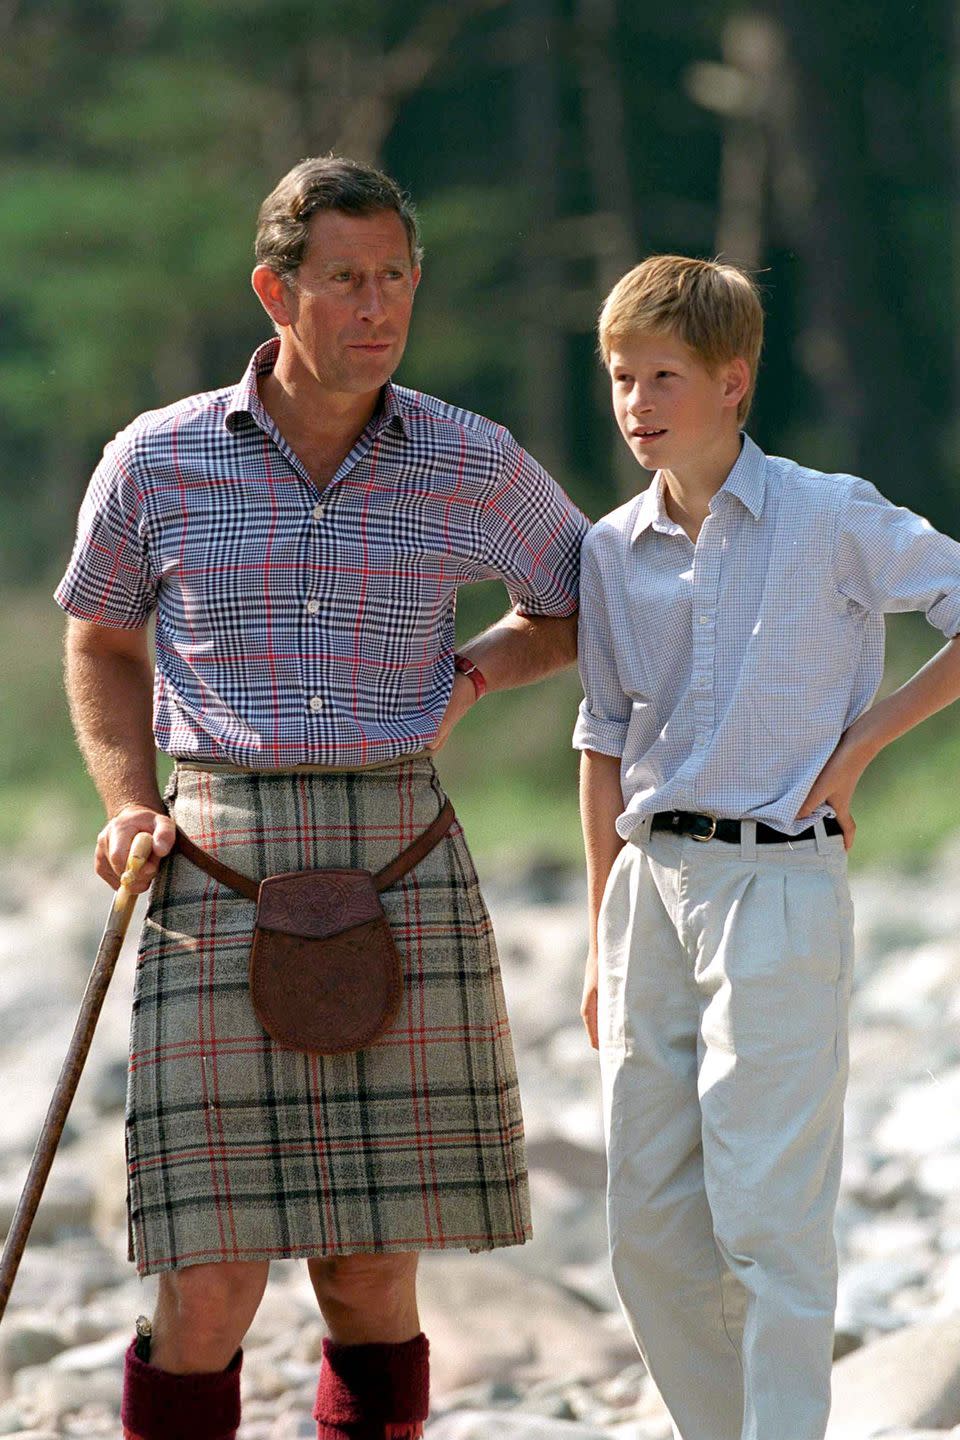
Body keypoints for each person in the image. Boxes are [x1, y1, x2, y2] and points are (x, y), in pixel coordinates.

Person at [55, 155, 588, 1440]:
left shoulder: (469, 459)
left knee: (368, 1267)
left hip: (398, 850)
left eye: (396, 278)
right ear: (275, 291)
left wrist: (471, 674)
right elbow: (102, 641)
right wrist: (129, 800)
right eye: (345, 280)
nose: (377, 307)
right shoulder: (159, 459)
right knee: (208, 1282)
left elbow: (577, 600)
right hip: (212, 855)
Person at [574, 254, 960, 1440]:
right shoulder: (608, 547)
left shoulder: (830, 514)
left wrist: (861, 748)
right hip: (649, 889)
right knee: (647, 1222)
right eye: (622, 378)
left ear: (734, 380)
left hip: (779, 885)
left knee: (766, 1215)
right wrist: (599, 936)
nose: (638, 403)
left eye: (665, 377)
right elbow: (601, 741)